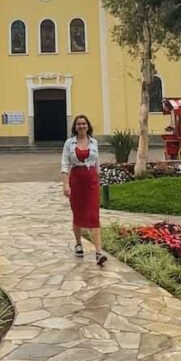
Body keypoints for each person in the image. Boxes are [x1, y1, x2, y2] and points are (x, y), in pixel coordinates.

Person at [61, 114, 108, 266]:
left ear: (88, 126)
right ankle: (78, 243)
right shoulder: (69, 143)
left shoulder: (93, 142)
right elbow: (64, 164)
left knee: (94, 214)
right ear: (75, 127)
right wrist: (65, 184)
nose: (81, 126)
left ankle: (99, 252)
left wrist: (99, 180)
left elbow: (97, 163)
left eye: (84, 124)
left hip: (91, 181)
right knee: (77, 213)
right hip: (76, 180)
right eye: (79, 124)